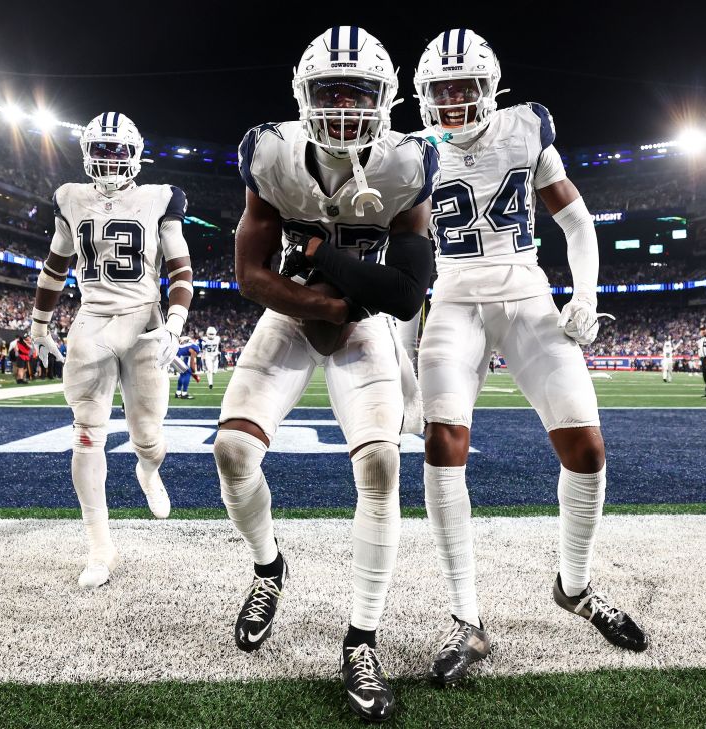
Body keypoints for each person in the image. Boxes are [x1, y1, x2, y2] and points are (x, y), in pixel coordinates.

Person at [411, 29, 646, 689]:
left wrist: (586, 293)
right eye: (442, 90)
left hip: (526, 294)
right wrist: (405, 361)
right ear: (424, 97)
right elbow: (400, 259)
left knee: (588, 450)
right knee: (442, 440)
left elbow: (577, 222)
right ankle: (467, 618)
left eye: (466, 87)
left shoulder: (525, 129)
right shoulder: (410, 153)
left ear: (490, 90)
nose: (454, 100)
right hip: (454, 302)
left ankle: (574, 586)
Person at [217, 27, 435, 722]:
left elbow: (406, 293)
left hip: (367, 322)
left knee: (380, 467)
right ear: (301, 96)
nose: (343, 106)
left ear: (386, 99)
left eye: (358, 92)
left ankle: (361, 639)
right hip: (293, 307)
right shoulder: (272, 154)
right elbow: (250, 273)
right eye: (328, 91)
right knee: (232, 450)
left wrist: (340, 288)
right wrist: (320, 300)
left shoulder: (407, 165)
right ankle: (268, 568)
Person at [33, 109, 194, 590]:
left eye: (117, 150)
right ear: (86, 153)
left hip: (145, 320)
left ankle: (148, 471)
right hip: (92, 321)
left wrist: (175, 325)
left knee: (149, 436)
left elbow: (181, 272)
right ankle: (99, 546)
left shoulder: (160, 199)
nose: (108, 159)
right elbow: (54, 268)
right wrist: (39, 325)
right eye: (100, 149)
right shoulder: (69, 198)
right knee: (87, 432)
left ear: (135, 154)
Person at [174, 335, 201, 399]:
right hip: (176, 357)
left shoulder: (185, 344)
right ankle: (184, 393)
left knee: (182, 374)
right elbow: (192, 361)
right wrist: (193, 372)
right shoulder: (195, 347)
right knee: (187, 373)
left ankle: (178, 393)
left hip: (173, 356)